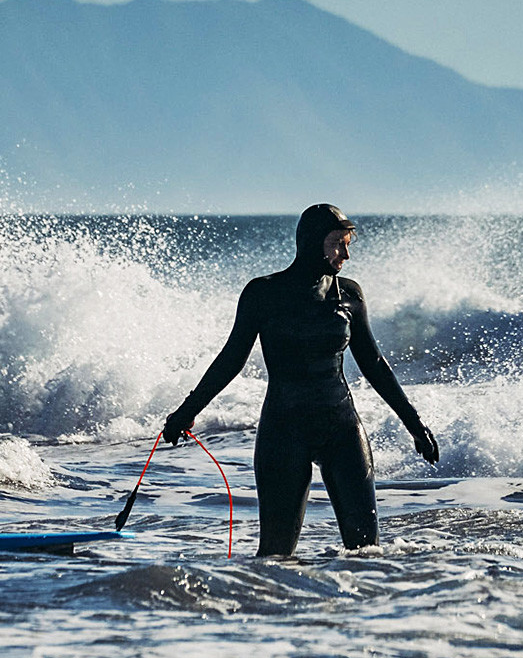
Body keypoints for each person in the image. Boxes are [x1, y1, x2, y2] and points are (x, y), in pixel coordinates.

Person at [161, 204, 439, 556]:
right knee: (275, 557)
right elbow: (231, 359)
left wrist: (414, 424)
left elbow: (375, 365)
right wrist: (186, 411)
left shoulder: (349, 296)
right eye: (338, 242)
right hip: (284, 431)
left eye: (348, 242)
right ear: (311, 242)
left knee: (368, 553)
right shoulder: (264, 293)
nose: (346, 254)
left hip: (341, 428)